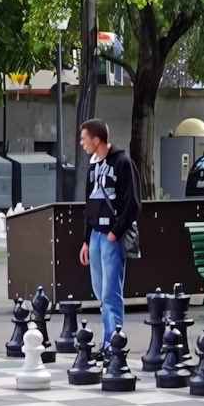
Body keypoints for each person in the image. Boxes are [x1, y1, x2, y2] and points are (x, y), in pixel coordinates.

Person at [78, 118, 141, 347]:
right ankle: (110, 339)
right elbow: (89, 205)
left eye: (85, 138)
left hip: (111, 236)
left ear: (96, 139)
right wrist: (86, 240)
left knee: (110, 291)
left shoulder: (122, 162)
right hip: (96, 235)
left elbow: (132, 202)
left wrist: (115, 232)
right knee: (100, 291)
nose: (82, 143)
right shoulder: (93, 166)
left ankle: (112, 343)